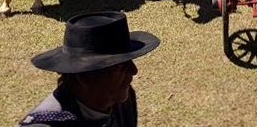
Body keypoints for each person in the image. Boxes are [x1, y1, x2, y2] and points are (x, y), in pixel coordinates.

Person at [17, 10, 160, 127]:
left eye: (129, 61)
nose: (133, 71)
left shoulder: (121, 102)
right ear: (82, 76)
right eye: (118, 66)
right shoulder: (47, 124)